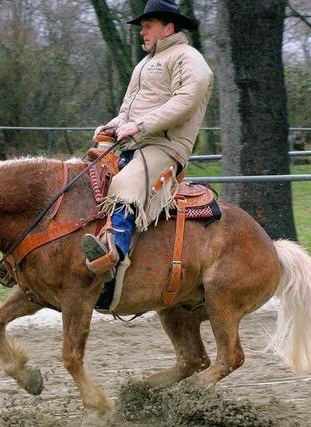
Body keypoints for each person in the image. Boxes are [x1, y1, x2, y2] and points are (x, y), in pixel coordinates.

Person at [81, 0, 213, 282]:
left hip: (165, 146)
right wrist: (113, 125)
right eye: (142, 27)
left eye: (148, 26)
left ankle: (113, 252)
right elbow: (128, 110)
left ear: (168, 27)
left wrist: (140, 127)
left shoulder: (189, 58)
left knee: (124, 186)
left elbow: (186, 102)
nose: (142, 32)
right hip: (135, 141)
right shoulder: (146, 62)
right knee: (81, 177)